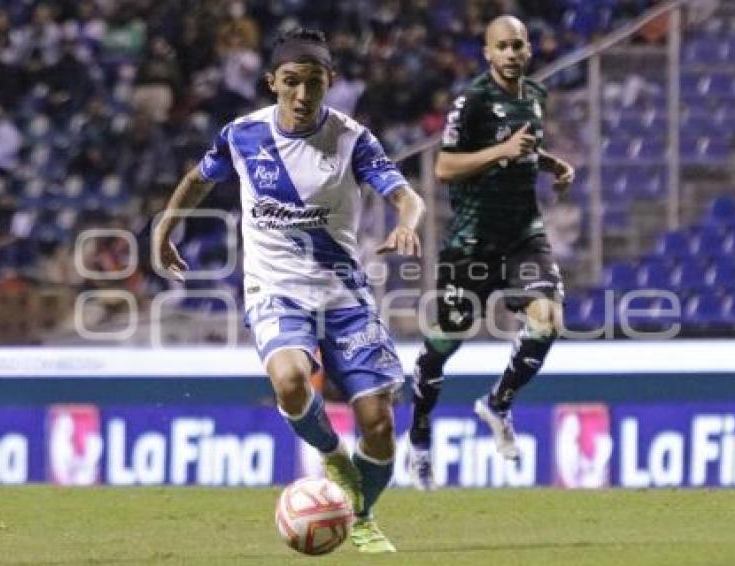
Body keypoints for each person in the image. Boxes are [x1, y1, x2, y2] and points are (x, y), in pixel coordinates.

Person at [152, 28, 424, 553]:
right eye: (292, 83)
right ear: (272, 82)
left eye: (315, 84)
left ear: (331, 83)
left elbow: (406, 196)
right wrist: (166, 225)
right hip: (276, 290)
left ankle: (361, 516)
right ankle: (331, 454)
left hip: (344, 295)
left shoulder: (352, 139)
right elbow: (198, 179)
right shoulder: (242, 135)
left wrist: (406, 222)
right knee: (291, 380)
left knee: (379, 422)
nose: (303, 96)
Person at [406, 16, 575, 490]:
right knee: (445, 343)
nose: (511, 53)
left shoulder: (536, 95)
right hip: (472, 241)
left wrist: (549, 162)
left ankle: (498, 403)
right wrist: (501, 150)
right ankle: (419, 437)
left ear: (527, 49)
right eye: (502, 46)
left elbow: (524, 148)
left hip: (523, 233)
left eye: (518, 44)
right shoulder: (474, 100)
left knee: (548, 319)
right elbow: (444, 167)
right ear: (487, 52)